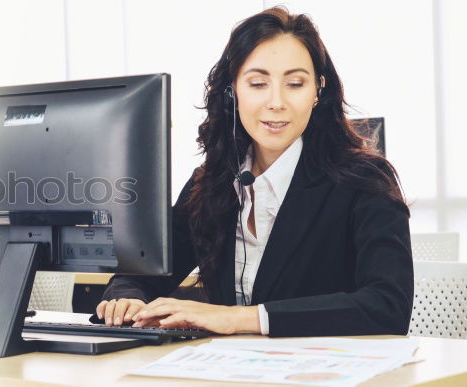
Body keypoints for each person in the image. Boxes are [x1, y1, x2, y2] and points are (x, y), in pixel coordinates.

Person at [96, 7, 413, 337]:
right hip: (229, 370)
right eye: (258, 83)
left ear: (318, 91)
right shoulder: (210, 183)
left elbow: (388, 305)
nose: (276, 102)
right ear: (233, 90)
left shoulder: (364, 181)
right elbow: (145, 272)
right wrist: (126, 299)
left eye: (295, 83)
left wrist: (238, 318)